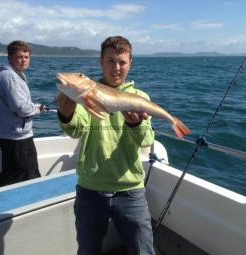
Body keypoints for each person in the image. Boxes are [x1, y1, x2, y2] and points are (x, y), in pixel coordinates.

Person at [57, 36, 155, 255]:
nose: (116, 68)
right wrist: (66, 114)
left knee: (144, 250)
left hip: (130, 190)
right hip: (90, 189)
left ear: (131, 63)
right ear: (101, 62)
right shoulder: (87, 93)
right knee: (87, 250)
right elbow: (76, 130)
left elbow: (146, 140)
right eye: (110, 61)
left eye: (122, 62)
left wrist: (136, 123)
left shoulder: (139, 97)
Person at [0, 40, 43, 187]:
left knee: (28, 172)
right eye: (19, 57)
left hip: (18, 134)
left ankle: (29, 204)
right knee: (16, 176)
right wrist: (37, 109)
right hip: (14, 136)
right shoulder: (10, 77)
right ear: (10, 57)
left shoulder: (15, 75)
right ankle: (4, 205)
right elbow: (20, 108)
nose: (23, 60)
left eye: (26, 57)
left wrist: (33, 107)